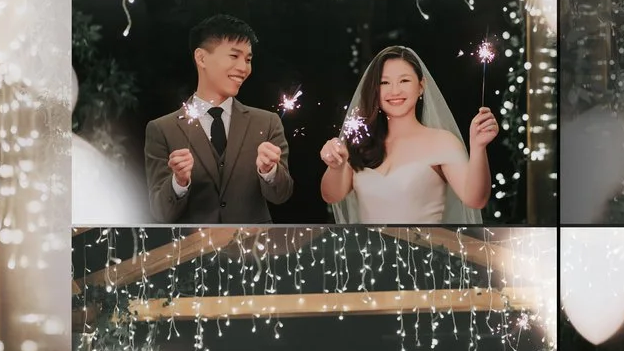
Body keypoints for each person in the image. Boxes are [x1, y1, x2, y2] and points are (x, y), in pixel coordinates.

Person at [320, 46, 500, 223]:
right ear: (375, 89)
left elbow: (475, 199)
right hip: (368, 250)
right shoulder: (360, 142)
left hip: (421, 249)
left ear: (421, 86)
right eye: (384, 82)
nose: (395, 91)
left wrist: (478, 147)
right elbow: (331, 196)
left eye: (404, 81)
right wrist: (335, 165)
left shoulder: (443, 142)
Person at [146, 14, 294, 223]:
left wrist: (269, 171)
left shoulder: (267, 122)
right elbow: (161, 213)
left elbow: (281, 195)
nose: (244, 68)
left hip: (255, 248)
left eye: (248, 59)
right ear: (201, 58)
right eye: (234, 56)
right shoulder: (162, 129)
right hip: (191, 249)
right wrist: (178, 182)